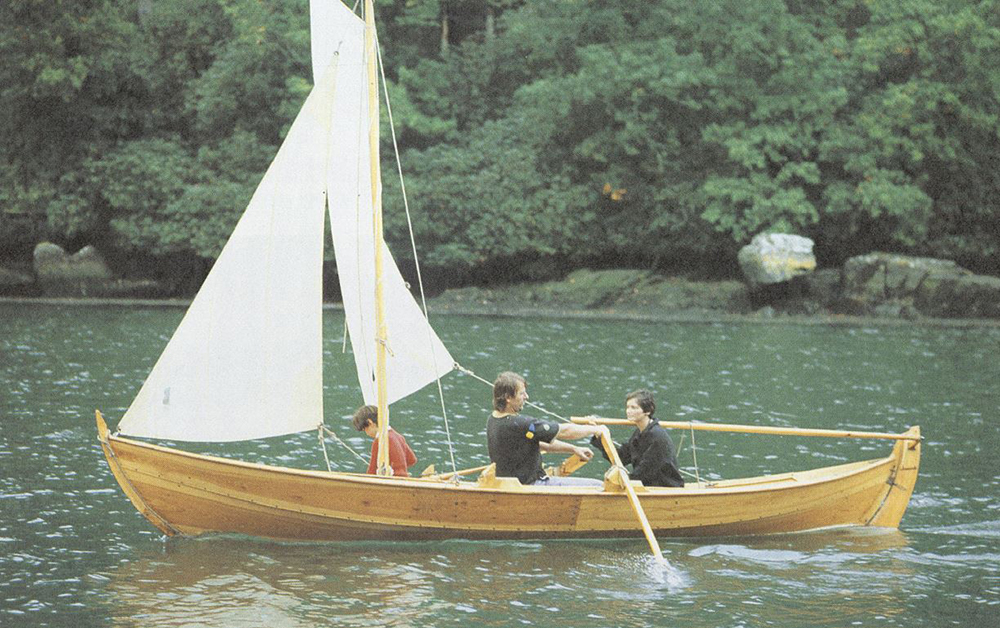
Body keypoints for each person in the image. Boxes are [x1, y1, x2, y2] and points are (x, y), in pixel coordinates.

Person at [487, 372, 604, 486]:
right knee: (599, 486)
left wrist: (574, 449)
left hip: (510, 485)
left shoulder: (493, 419)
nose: (526, 397)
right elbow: (565, 431)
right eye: (522, 393)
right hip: (533, 485)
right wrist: (594, 430)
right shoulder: (521, 424)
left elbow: (540, 444)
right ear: (508, 397)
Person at [591, 389, 684, 487]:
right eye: (628, 407)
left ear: (647, 411)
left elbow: (644, 471)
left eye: (634, 408)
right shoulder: (639, 433)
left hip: (665, 487)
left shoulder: (657, 437)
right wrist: (599, 436)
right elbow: (620, 458)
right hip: (647, 485)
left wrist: (621, 481)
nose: (628, 411)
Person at [352, 405, 417, 477]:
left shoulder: (380, 441)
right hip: (403, 480)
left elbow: (372, 471)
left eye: (365, 430)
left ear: (370, 423)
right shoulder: (398, 436)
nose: (367, 434)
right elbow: (411, 460)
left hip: (392, 483)